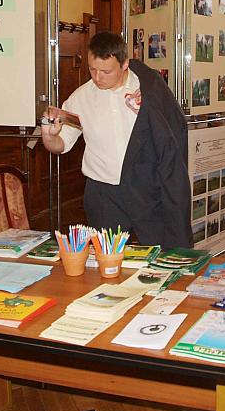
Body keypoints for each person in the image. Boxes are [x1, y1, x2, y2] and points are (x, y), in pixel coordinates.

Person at [41, 31, 192, 248]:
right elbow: (61, 145)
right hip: (104, 193)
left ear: (124, 64)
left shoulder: (148, 90)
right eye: (93, 70)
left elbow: (172, 135)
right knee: (106, 259)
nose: (98, 78)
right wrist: (49, 136)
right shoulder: (81, 97)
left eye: (106, 71)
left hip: (146, 189)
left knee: (159, 253)